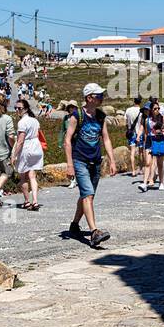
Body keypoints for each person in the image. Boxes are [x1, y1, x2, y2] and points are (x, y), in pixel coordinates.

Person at [63, 82, 117, 248]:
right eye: (98, 95)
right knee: (87, 194)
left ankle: (74, 225)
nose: (102, 98)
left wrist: (112, 160)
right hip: (80, 160)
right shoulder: (77, 116)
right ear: (89, 98)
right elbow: (67, 140)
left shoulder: (101, 116)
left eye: (101, 95)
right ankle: (94, 232)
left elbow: (105, 138)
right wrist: (70, 164)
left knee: (88, 195)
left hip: (96, 161)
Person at [10, 98, 45, 211]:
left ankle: (27, 201)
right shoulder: (34, 120)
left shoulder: (22, 122)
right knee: (32, 176)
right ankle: (35, 201)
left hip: (27, 148)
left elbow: (20, 141)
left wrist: (14, 155)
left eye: (19, 108)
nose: (17, 110)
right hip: (36, 146)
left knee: (23, 176)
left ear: (25, 109)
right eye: (15, 108)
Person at [138, 106, 164, 191]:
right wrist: (139, 137)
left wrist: (162, 131)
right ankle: (145, 183)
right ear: (151, 110)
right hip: (150, 141)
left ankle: (161, 183)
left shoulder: (163, 118)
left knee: (160, 164)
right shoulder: (147, 119)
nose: (157, 110)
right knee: (148, 163)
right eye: (155, 109)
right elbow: (145, 131)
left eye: (158, 108)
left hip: (159, 141)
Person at [123, 95, 143, 177]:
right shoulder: (141, 111)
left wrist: (128, 129)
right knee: (141, 152)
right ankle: (141, 169)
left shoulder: (128, 110)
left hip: (131, 133)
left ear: (134, 101)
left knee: (132, 152)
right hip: (140, 133)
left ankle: (133, 171)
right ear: (140, 101)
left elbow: (126, 122)